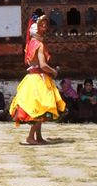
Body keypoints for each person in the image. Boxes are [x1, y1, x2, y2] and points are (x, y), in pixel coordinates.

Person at [9, 12, 64, 143]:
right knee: (39, 108)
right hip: (39, 79)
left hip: (31, 78)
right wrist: (54, 72)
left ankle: (38, 137)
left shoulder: (29, 45)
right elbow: (43, 65)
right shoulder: (39, 45)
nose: (45, 29)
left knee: (40, 108)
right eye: (43, 26)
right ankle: (30, 137)